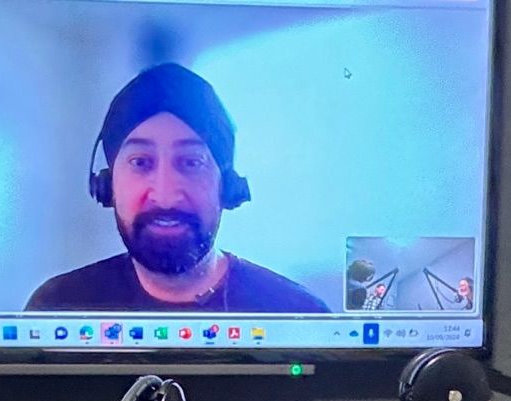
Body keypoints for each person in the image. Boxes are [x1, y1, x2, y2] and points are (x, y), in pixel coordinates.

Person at [26, 63, 328, 314]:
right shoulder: (57, 306)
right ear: (107, 185)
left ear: (227, 186)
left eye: (191, 162)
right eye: (141, 162)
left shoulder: (299, 314)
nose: (166, 194)